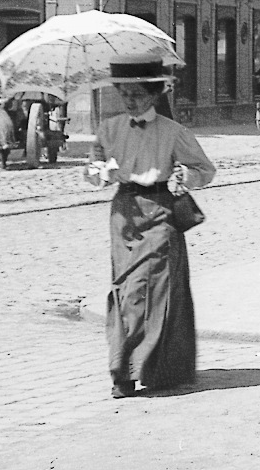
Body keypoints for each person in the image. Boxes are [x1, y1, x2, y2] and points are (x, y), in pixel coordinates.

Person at [85, 59, 216, 399]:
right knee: (125, 290)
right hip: (124, 215)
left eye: (138, 94)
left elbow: (204, 169)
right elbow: (93, 168)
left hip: (160, 212)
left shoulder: (173, 132)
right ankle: (125, 367)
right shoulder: (109, 129)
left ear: (155, 94)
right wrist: (102, 173)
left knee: (151, 292)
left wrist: (183, 176)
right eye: (124, 93)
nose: (130, 100)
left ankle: (142, 370)